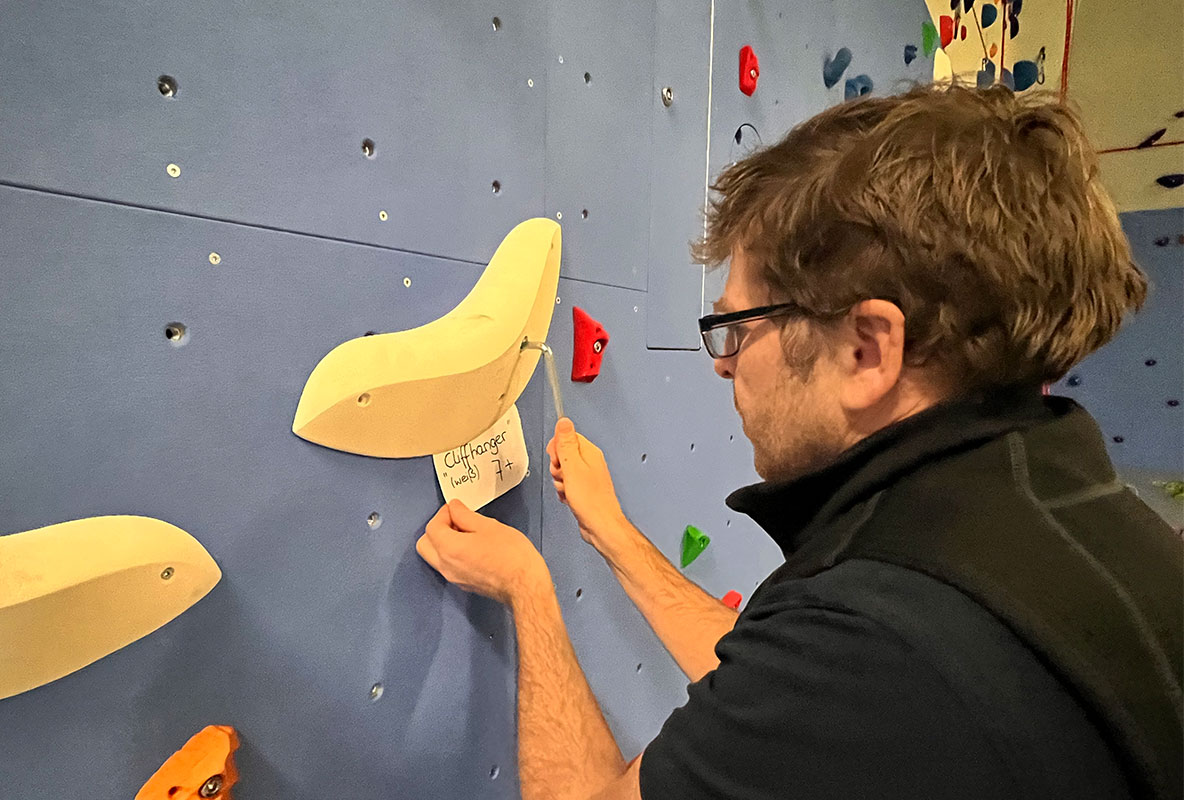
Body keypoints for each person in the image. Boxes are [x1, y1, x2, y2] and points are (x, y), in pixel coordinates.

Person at [415, 84, 1184, 800]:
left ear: (867, 350)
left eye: (738, 329)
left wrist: (529, 590)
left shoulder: (881, 638)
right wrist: (611, 532)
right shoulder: (1045, 507)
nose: (723, 366)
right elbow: (772, 677)